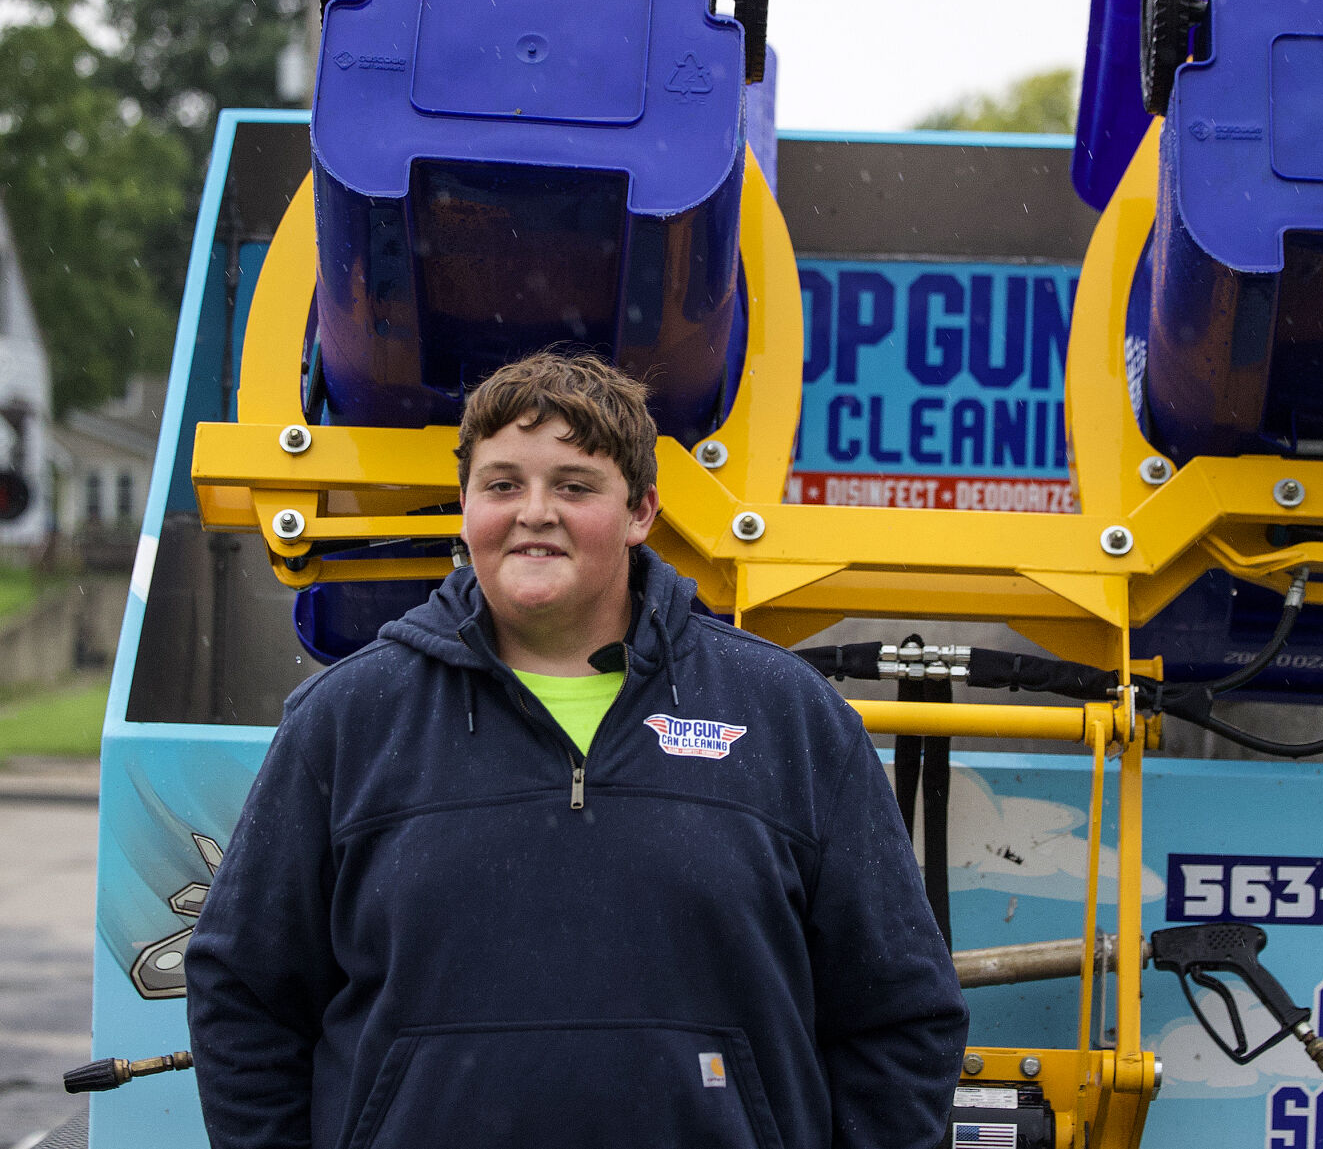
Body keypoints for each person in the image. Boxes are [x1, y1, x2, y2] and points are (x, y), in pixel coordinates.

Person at [186, 351, 968, 1149]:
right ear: (464, 507)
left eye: (574, 484)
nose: (534, 511)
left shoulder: (788, 717)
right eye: (501, 484)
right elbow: (244, 993)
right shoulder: (346, 720)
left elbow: (902, 1011)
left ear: (641, 512)